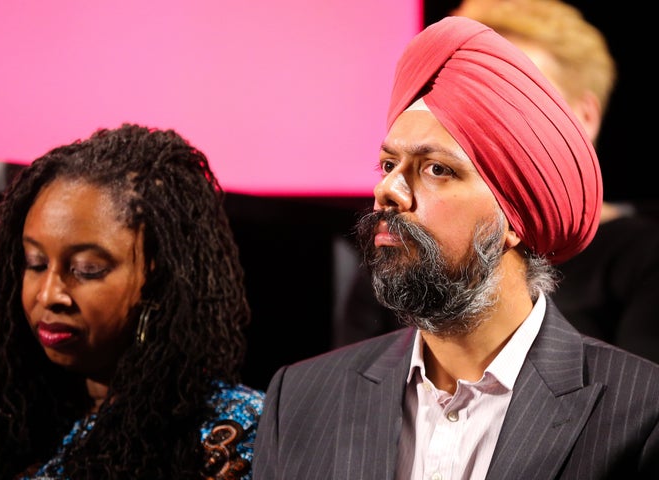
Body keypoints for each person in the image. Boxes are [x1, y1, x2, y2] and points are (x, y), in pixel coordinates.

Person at [254, 16, 659, 479]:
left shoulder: (642, 415)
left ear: (515, 217)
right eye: (389, 163)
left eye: (436, 170)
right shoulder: (301, 400)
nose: (388, 190)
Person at [333, 0, 659, 365]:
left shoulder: (642, 261)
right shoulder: (404, 246)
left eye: (513, 96)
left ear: (582, 118)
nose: (479, 109)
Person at [0, 124, 264, 479]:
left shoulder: (236, 435)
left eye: (86, 269)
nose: (48, 295)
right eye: (35, 264)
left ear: (160, 278)